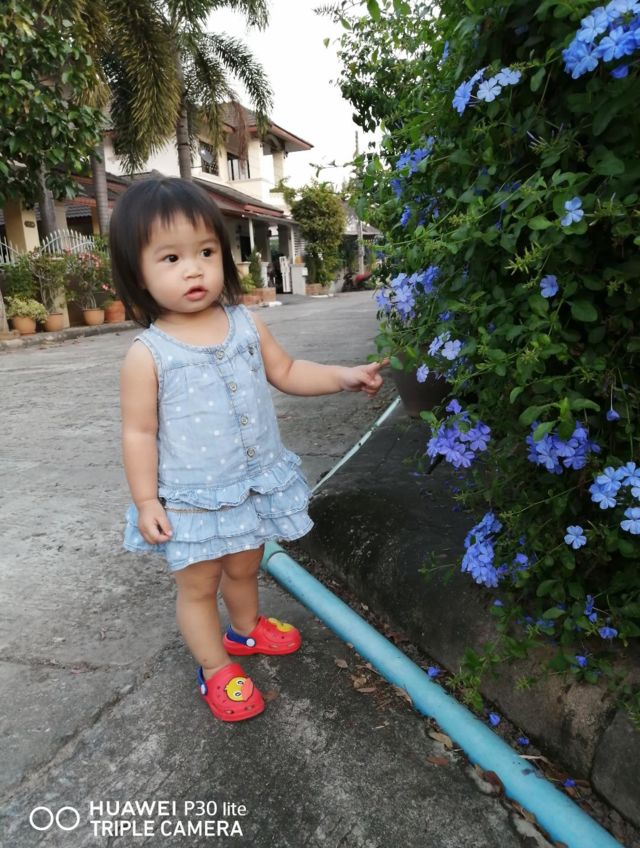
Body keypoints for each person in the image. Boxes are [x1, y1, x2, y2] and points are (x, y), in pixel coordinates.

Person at [110, 177, 388, 723]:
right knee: (199, 586)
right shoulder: (148, 354)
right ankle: (214, 667)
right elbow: (138, 433)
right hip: (191, 500)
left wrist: (342, 376)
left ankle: (244, 630)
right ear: (137, 272)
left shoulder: (244, 324)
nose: (194, 270)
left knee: (245, 564)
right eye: (171, 258)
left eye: (206, 252)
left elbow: (287, 370)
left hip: (251, 484)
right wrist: (146, 502)